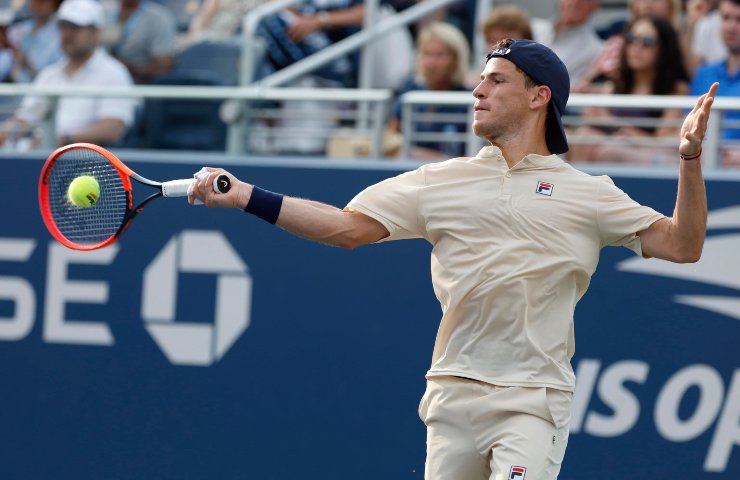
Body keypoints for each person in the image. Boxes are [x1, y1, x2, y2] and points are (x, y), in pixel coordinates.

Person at [188, 38, 717, 480]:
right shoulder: (439, 183)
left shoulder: (591, 194)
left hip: (532, 401)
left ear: (539, 97)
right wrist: (245, 196)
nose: (477, 89)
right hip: (452, 395)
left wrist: (689, 160)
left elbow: (683, 245)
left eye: (496, 80)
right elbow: (345, 229)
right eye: (480, 80)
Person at [0, 0, 137, 149]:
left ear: (96, 32)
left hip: (88, 163)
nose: (67, 34)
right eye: (63, 27)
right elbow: (27, 117)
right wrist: (6, 131)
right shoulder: (49, 74)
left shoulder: (115, 73)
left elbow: (112, 129)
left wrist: (63, 141)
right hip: (42, 156)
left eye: (75, 28)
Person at [569, 16, 690, 164]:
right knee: (583, 136)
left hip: (645, 155)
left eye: (647, 42)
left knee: (606, 150)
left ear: (664, 48)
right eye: (632, 39)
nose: (636, 47)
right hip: (611, 146)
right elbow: (596, 116)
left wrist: (614, 123)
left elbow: (660, 143)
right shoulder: (615, 85)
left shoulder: (675, 90)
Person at [387, 21, 470, 161]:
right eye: (427, 54)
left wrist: (434, 158)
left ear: (456, 58)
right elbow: (390, 136)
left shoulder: (469, 99)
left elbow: (477, 156)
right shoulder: (410, 89)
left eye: (439, 55)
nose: (431, 63)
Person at [691, 0, 740, 166]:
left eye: (739, 19)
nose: (731, 27)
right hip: (701, 163)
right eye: (725, 18)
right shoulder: (704, 73)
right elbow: (687, 126)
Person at [102, 0, 178, 83]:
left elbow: (164, 66)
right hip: (99, 78)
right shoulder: (103, 13)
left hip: (139, 84)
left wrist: (127, 68)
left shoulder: (159, 18)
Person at [532, 0, 604, 85]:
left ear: (595, 6)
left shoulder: (596, 49)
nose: (574, 3)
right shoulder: (532, 27)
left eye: (583, 1)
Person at [6, 0, 64, 83]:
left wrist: (26, 64)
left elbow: (53, 79)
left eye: (41, 2)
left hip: (39, 91)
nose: (36, 5)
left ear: (54, 4)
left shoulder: (60, 35)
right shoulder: (19, 29)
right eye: (33, 1)